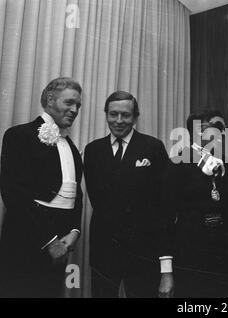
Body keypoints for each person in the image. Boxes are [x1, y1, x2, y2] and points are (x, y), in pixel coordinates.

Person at [84, 91, 174, 298]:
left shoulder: (153, 147)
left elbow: (165, 207)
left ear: (135, 117)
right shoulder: (93, 150)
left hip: (144, 253)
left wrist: (165, 265)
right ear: (106, 114)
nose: (118, 120)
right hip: (104, 253)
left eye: (125, 115)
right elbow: (98, 201)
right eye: (113, 114)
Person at [0, 77, 84, 297]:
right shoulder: (18, 136)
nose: (75, 110)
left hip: (63, 238)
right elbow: (14, 194)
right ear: (49, 100)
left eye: (78, 105)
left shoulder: (73, 149)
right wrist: (49, 241)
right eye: (69, 103)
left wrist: (75, 231)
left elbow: (77, 195)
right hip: (27, 235)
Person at [161, 111, 228, 298]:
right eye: (206, 127)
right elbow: (165, 218)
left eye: (219, 127)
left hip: (222, 258)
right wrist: (166, 272)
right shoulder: (177, 163)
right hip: (189, 255)